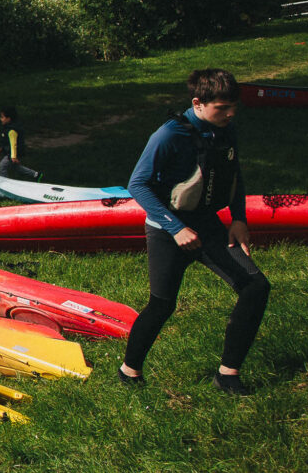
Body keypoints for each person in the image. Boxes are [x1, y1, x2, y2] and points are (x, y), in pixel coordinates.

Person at [118, 69, 269, 395]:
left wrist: (239, 219)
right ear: (198, 103)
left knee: (256, 287)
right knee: (162, 305)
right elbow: (137, 185)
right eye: (222, 108)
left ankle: (227, 375)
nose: (230, 114)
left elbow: (234, 174)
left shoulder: (225, 131)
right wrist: (175, 228)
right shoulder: (169, 134)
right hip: (167, 231)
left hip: (208, 227)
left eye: (233, 107)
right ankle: (129, 371)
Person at [0, 106, 40, 180]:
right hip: (12, 152)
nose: (1, 119)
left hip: (13, 153)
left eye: (2, 117)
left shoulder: (12, 130)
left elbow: (13, 144)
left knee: (2, 166)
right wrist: (2, 148)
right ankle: (36, 175)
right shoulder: (7, 128)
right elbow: (7, 142)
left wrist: (13, 157)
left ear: (8, 119)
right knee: (16, 168)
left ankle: (5, 183)